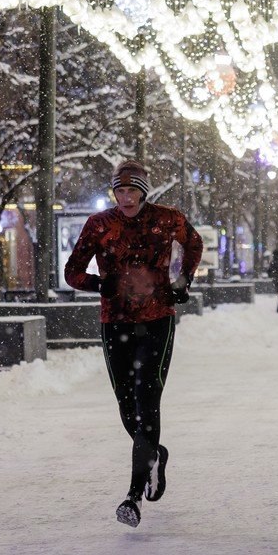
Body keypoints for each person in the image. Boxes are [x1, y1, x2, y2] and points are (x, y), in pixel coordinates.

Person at [65, 159, 203, 529]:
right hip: (116, 322)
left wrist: (181, 280)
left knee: (147, 399)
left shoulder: (168, 218)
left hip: (158, 319)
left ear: (144, 191)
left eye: (132, 190)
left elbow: (194, 244)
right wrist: (99, 285)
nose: (126, 198)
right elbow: (72, 271)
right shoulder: (100, 224)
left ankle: (133, 495)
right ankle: (155, 455)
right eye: (119, 191)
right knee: (127, 406)